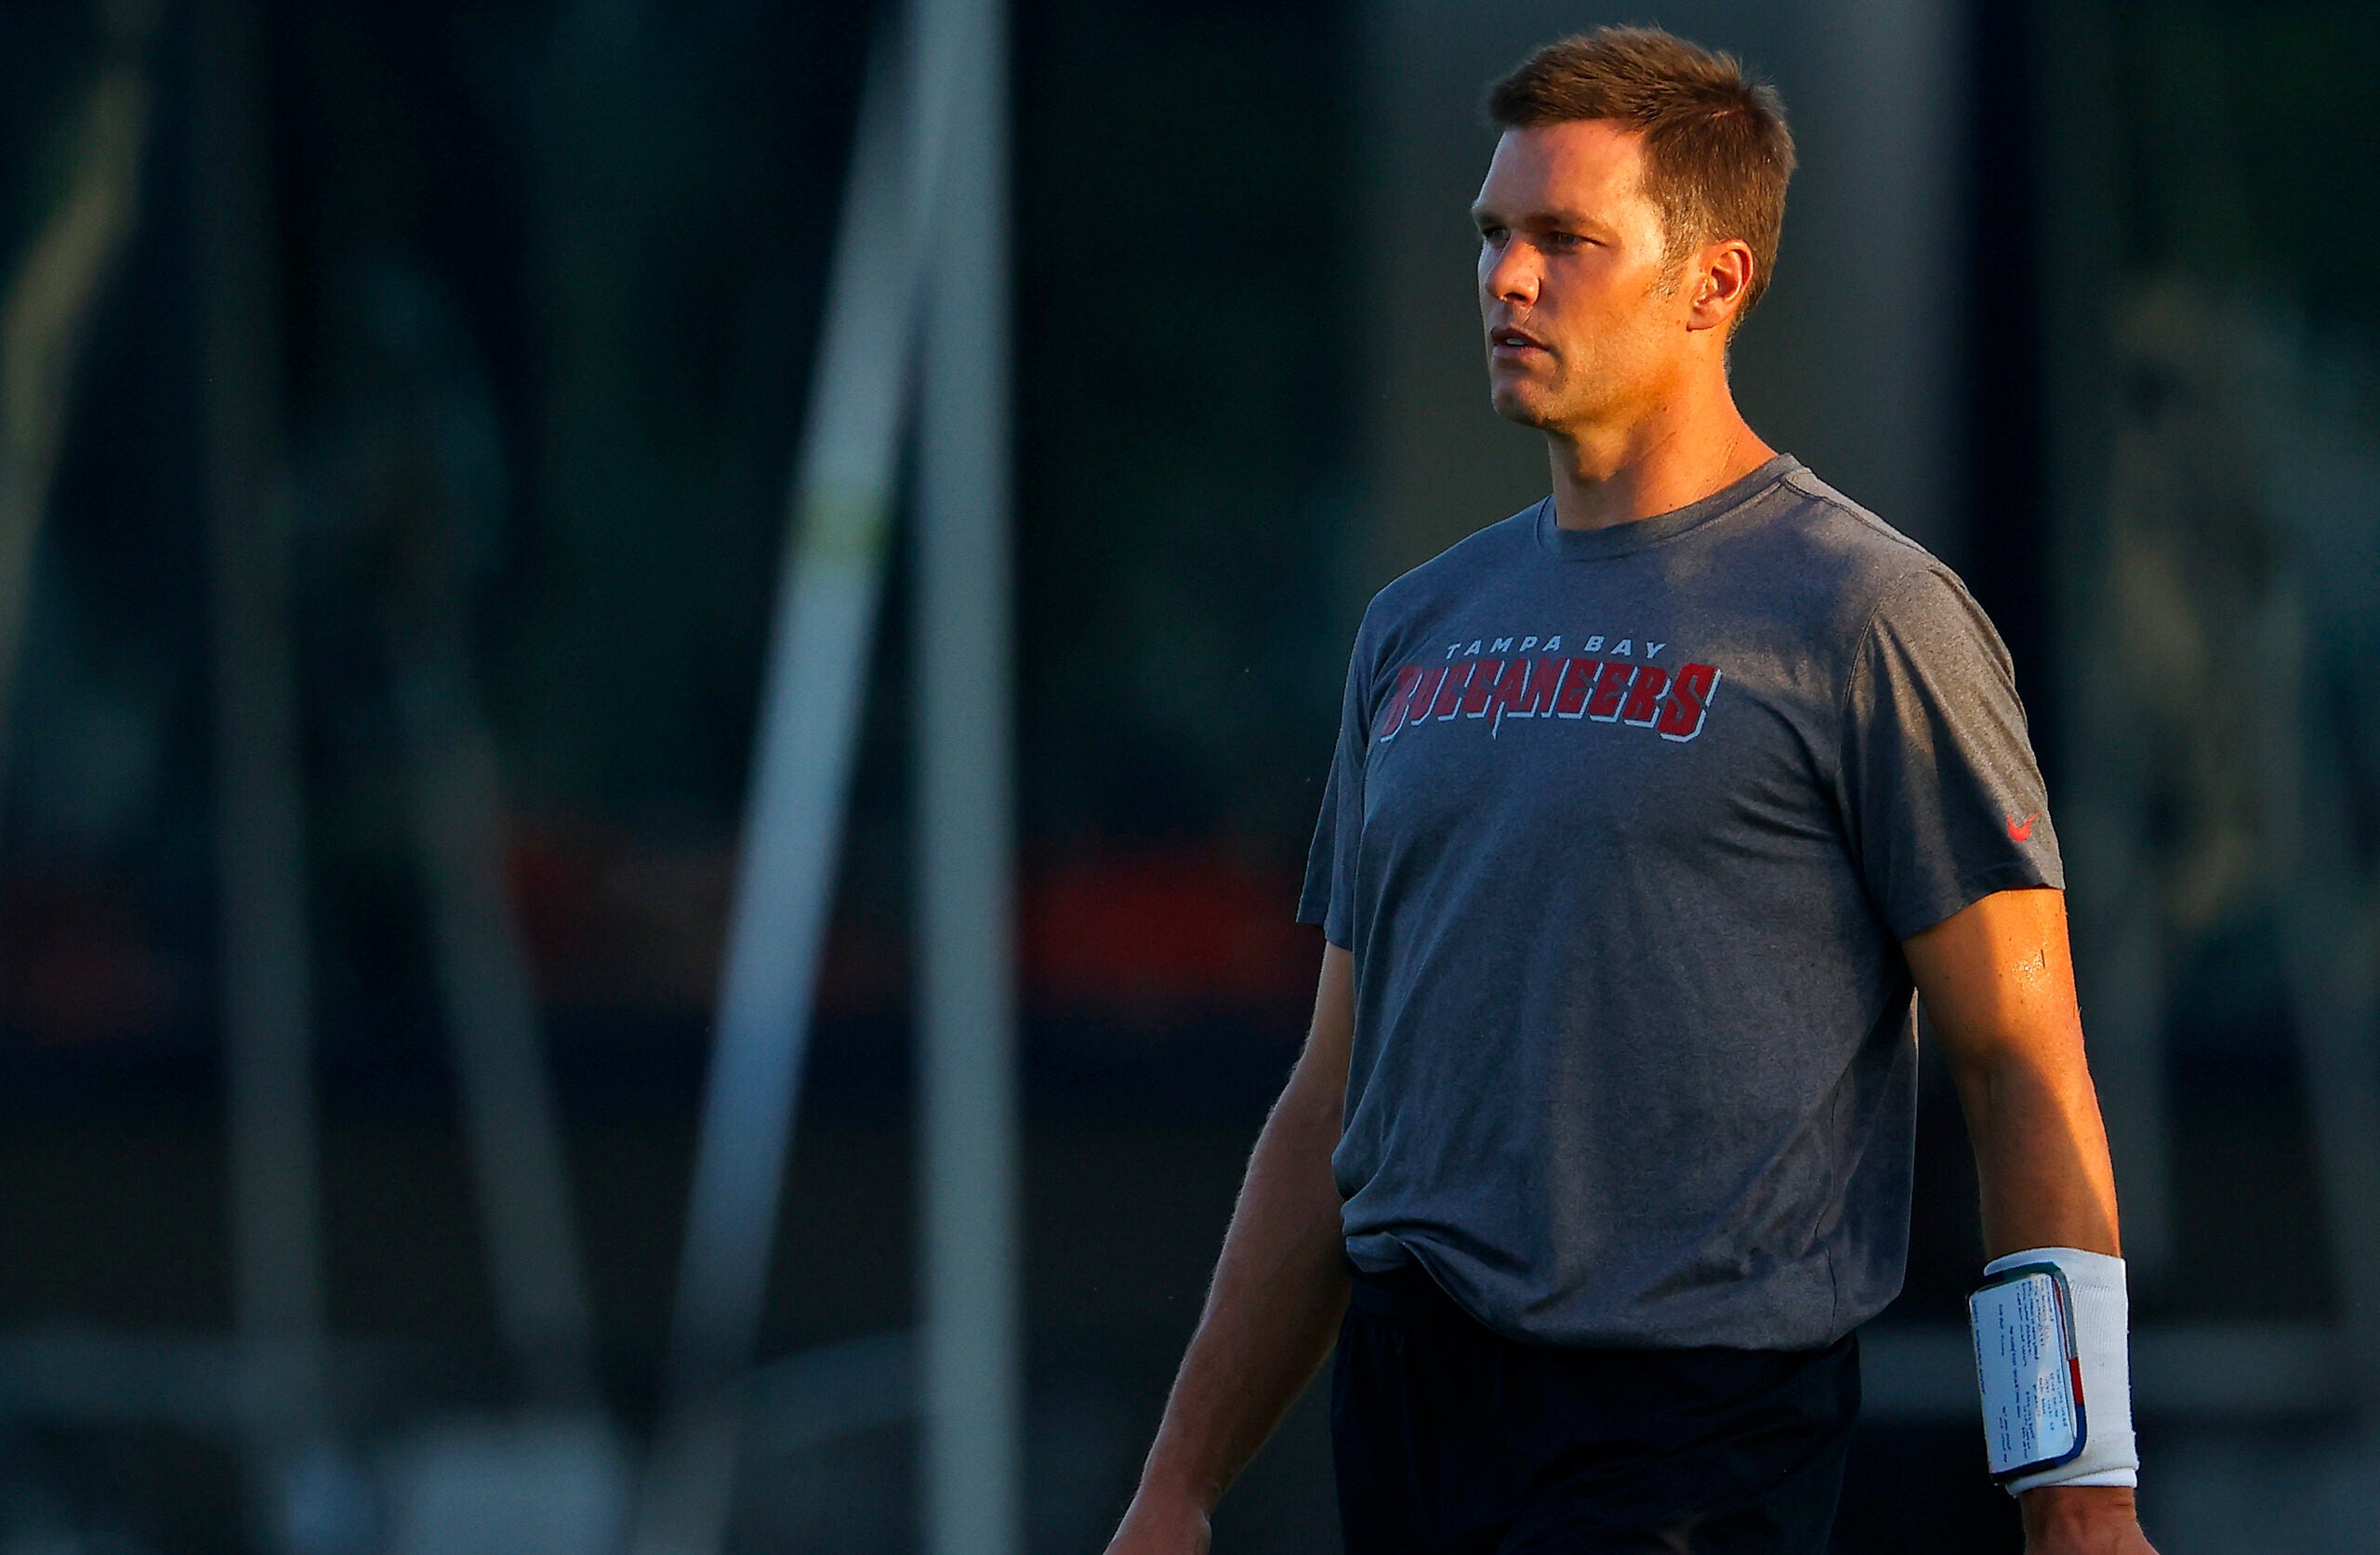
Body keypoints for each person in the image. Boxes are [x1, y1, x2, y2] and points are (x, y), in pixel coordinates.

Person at [1104, 26, 2156, 1555]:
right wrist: (1176, 1487)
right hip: (1410, 1409)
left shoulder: (1866, 616)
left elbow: (2022, 1068)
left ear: (1714, 281)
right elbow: (1334, 1101)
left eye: (1564, 240)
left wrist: (2082, 1492)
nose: (1506, 279)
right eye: (1492, 235)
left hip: (1688, 1426)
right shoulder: (1415, 625)